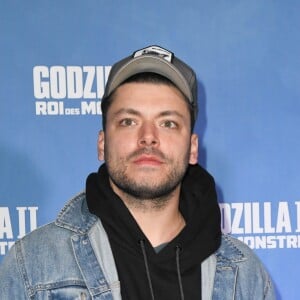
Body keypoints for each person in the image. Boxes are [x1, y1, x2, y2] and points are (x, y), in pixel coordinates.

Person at [0, 45, 275, 299]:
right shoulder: (34, 265)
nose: (148, 137)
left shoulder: (245, 275)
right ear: (103, 143)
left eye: (168, 123)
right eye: (129, 121)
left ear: (193, 148)